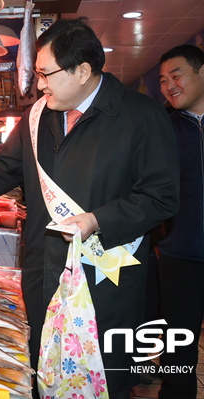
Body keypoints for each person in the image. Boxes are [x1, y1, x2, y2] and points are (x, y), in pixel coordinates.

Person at [0, 18, 180, 398]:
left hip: (104, 278)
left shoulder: (141, 116)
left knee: (101, 377)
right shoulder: (37, 116)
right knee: (42, 370)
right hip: (43, 272)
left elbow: (161, 196)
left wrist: (98, 219)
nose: (39, 83)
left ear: (82, 71)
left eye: (46, 73)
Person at [157, 44, 204, 399]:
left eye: (176, 75)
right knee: (178, 347)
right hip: (178, 254)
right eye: (162, 80)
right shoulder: (162, 130)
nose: (168, 85)